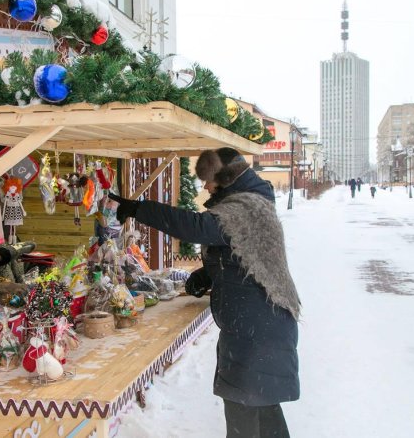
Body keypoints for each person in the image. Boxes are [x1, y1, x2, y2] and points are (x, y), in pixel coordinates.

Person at [110, 148, 300, 438]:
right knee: (264, 412)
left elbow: (198, 228)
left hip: (256, 333)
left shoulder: (247, 207)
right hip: (259, 327)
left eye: (208, 180)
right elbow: (240, 255)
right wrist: (207, 274)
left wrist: (140, 209)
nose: (205, 187)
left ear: (225, 178)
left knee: (245, 417)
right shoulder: (249, 202)